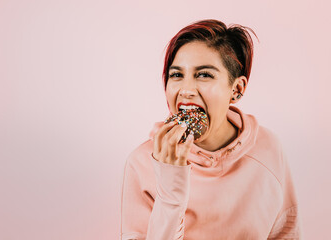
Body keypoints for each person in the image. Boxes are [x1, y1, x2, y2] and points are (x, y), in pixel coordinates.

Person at [121, 19, 302, 240]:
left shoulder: (268, 148)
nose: (186, 90)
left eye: (204, 74)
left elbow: (285, 233)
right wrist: (170, 183)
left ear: (236, 89)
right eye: (176, 75)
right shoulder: (141, 163)